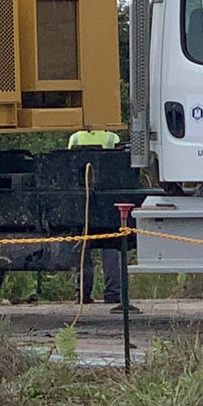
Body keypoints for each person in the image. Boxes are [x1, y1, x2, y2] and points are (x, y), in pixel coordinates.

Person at [67, 129, 139, 312]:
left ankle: (83, 294)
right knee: (111, 248)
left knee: (83, 249)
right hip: (107, 198)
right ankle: (113, 293)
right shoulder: (111, 137)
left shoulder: (75, 137)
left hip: (81, 200)